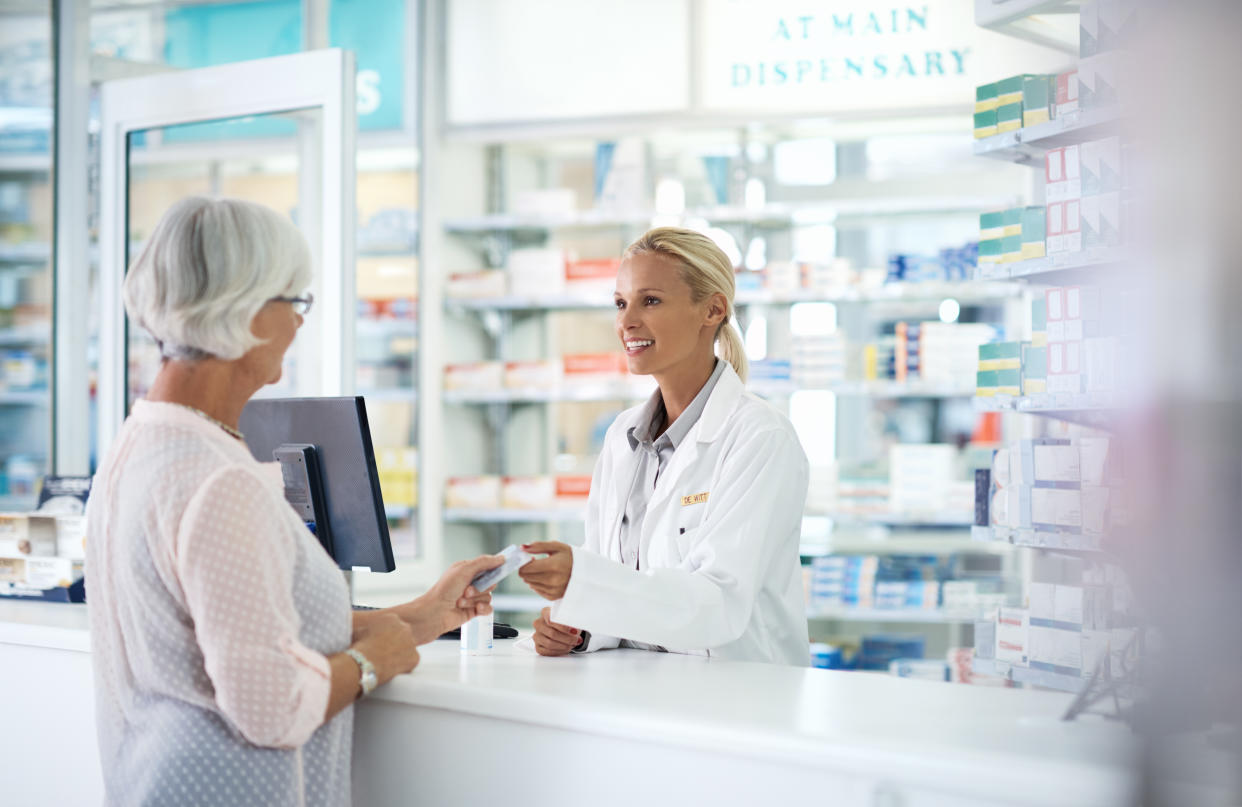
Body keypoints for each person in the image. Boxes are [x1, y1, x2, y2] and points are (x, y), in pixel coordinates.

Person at [85, 196, 502, 807]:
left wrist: (423, 617)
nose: (300, 324)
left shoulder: (142, 443)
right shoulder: (219, 482)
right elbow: (271, 706)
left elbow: (247, 630)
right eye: (294, 301)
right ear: (244, 308)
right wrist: (369, 662)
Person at [518, 226, 810, 666]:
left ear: (712, 310)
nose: (626, 322)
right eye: (621, 303)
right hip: (646, 689)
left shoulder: (759, 438)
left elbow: (718, 605)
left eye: (650, 301)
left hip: (742, 697)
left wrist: (585, 581)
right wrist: (578, 629)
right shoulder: (622, 437)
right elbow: (620, 585)